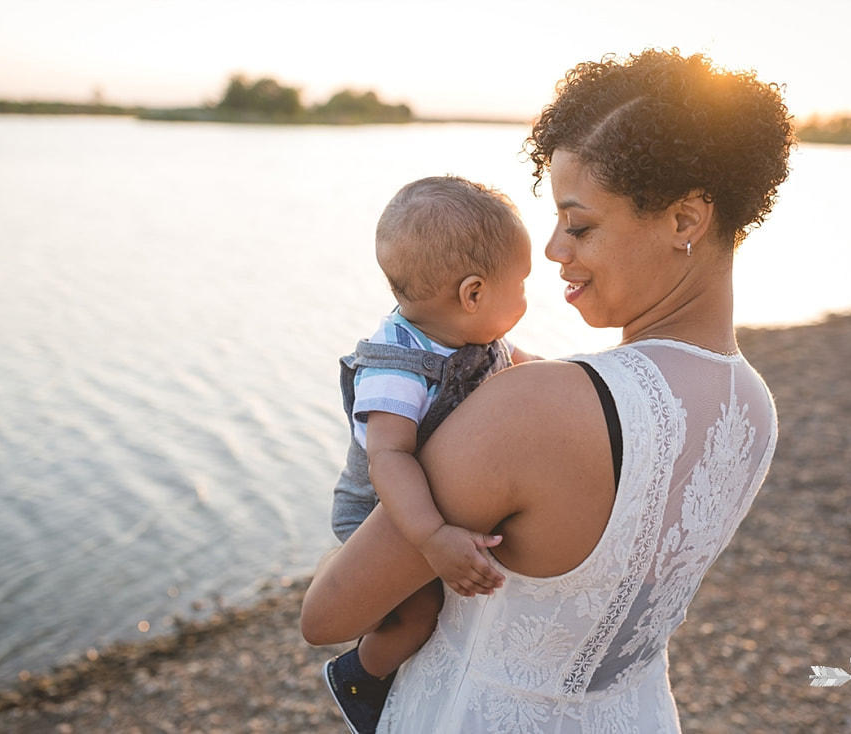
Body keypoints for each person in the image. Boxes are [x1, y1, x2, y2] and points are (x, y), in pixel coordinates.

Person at [303, 48, 795, 733]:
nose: (555, 248)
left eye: (581, 223)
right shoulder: (753, 406)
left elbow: (325, 616)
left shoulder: (533, 407)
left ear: (685, 220)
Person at [324, 175, 538, 733]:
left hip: (425, 497)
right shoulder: (397, 366)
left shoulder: (470, 330)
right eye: (521, 285)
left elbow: (527, 366)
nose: (525, 299)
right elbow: (389, 458)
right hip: (383, 509)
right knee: (420, 614)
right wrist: (430, 538)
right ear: (473, 293)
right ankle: (358, 676)